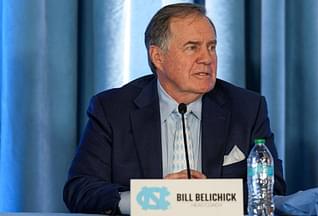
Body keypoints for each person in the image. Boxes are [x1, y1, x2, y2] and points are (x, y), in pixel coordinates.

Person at [63, 3, 286, 214]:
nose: (207, 58)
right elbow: (80, 190)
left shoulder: (247, 107)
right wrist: (152, 198)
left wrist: (208, 198)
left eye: (211, 47)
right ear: (158, 57)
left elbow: (272, 189)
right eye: (192, 48)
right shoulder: (112, 109)